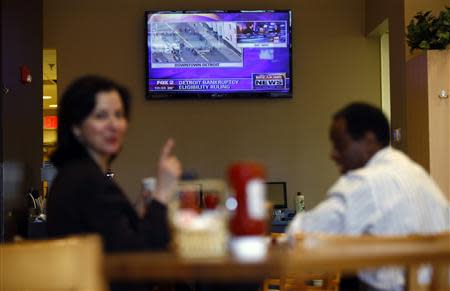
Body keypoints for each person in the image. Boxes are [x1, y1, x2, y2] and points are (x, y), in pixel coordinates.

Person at [287, 102, 449, 291]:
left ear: (369, 141)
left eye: (340, 144)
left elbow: (300, 237)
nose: (333, 154)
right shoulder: (418, 174)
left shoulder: (364, 182)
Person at [47, 75, 182, 253]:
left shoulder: (78, 173)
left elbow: (116, 238)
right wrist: (162, 193)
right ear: (77, 128)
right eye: (101, 116)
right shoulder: (86, 180)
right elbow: (139, 258)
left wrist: (137, 212)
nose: (114, 125)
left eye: (119, 115)